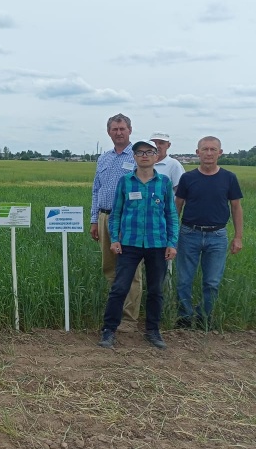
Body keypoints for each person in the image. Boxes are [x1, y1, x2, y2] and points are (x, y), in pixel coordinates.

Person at [99, 140, 179, 350]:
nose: (144, 155)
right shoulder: (125, 182)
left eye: (149, 152)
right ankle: (109, 330)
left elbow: (171, 214)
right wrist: (114, 239)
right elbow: (116, 214)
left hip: (157, 243)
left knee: (155, 290)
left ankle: (153, 331)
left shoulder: (164, 183)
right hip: (129, 244)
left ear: (156, 156)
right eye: (140, 152)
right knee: (119, 288)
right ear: (134, 157)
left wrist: (172, 243)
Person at [175, 136, 244, 329]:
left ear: (220, 153)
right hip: (189, 233)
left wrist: (238, 237)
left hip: (217, 236)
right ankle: (185, 318)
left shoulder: (229, 178)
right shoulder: (187, 178)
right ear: (197, 153)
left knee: (212, 282)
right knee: (184, 280)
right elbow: (177, 206)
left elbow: (236, 207)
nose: (209, 153)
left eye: (213, 149)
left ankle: (204, 317)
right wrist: (172, 236)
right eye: (205, 149)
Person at [90, 113, 142, 330]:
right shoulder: (104, 158)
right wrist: (94, 220)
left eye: (122, 128)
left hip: (128, 219)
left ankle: (130, 320)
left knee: (132, 269)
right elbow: (96, 189)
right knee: (110, 267)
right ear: (108, 132)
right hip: (104, 217)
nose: (118, 132)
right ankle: (116, 311)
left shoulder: (138, 156)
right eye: (114, 129)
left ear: (130, 130)